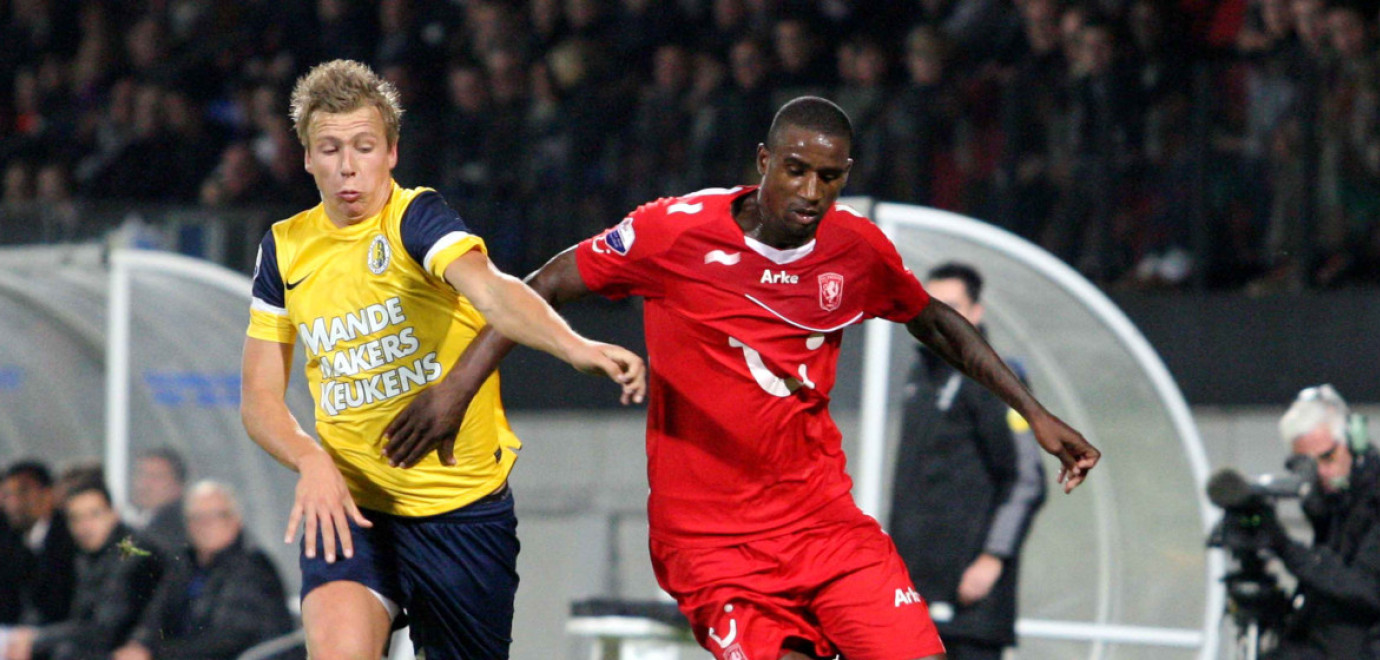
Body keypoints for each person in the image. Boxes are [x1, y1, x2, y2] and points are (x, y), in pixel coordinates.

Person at [385, 96, 1101, 660]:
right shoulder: (673, 233)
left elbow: (935, 319)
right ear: (763, 161)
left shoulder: (856, 251)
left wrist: (1034, 411)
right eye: (796, 169)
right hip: (712, 543)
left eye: (831, 176)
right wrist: (456, 388)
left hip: (825, 526)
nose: (813, 190)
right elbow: (542, 283)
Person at [239, 59, 646, 660]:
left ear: (391, 152)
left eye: (363, 147)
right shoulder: (283, 247)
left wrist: (574, 347)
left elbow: (497, 292)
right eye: (328, 149)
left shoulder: (415, 219)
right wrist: (311, 461)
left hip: (460, 513)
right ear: (305, 157)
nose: (347, 167)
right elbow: (258, 398)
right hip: (352, 503)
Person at [888, 263, 1047, 660]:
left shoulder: (994, 376)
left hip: (970, 599)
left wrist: (992, 558)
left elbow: (1027, 479)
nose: (937, 318)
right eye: (928, 306)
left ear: (976, 312)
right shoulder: (921, 372)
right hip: (915, 593)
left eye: (950, 306)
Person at [1251, 384, 1380, 659]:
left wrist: (1286, 548)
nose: (1321, 473)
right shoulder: (1334, 502)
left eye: (1328, 457)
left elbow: (1364, 590)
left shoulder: (1372, 497)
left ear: (1351, 440)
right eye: (1308, 465)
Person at [113, 481, 295, 660]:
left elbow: (229, 638)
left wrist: (156, 655)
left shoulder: (253, 567)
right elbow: (157, 616)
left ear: (235, 519)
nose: (205, 525)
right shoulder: (185, 565)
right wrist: (140, 645)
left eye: (215, 516)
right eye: (196, 517)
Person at [3, 481, 164, 660]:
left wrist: (38, 639)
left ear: (114, 514)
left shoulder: (132, 554)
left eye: (94, 515)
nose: (85, 526)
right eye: (76, 518)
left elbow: (105, 627)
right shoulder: (84, 554)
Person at [1, 462, 77, 626]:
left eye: (23, 492)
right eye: (7, 495)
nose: (14, 503)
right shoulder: (9, 541)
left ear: (49, 494)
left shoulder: (70, 538)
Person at [126, 447, 188, 555]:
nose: (143, 484)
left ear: (178, 486)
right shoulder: (139, 523)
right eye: (140, 474)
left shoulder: (178, 532)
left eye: (155, 477)